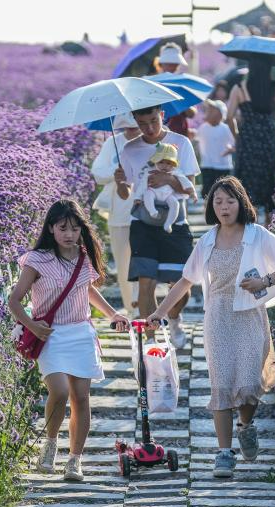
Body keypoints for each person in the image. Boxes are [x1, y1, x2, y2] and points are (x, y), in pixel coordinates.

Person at [146, 177, 275, 478]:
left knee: (249, 385)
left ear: (241, 203)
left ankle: (246, 425)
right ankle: (224, 453)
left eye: (229, 201)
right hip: (218, 316)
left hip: (250, 315)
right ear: (211, 207)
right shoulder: (207, 240)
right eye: (218, 202)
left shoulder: (257, 235)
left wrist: (264, 282)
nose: (224, 207)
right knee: (222, 384)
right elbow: (186, 279)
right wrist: (160, 312)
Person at [8, 200, 129, 482]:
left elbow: (86, 290)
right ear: (51, 228)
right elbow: (14, 301)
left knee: (81, 398)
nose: (69, 234)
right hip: (49, 334)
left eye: (74, 229)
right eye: (62, 228)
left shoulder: (84, 257)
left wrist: (112, 314)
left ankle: (75, 460)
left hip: (80, 332)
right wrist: (32, 326)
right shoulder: (36, 260)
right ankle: (49, 446)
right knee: (59, 391)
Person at [113, 105, 200, 348]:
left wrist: (169, 179)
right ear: (135, 123)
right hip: (142, 223)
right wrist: (120, 183)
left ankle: (173, 318)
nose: (149, 128)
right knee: (145, 281)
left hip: (175, 222)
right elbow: (126, 193)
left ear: (162, 116)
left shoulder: (181, 143)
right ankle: (151, 343)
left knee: (181, 284)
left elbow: (191, 184)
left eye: (153, 121)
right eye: (142, 124)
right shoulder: (130, 149)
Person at [91, 113, 142, 316]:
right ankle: (130, 306)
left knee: (142, 262)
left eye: (135, 127)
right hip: (119, 213)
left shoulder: (149, 142)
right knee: (123, 262)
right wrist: (116, 171)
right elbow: (98, 173)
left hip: (145, 212)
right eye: (127, 128)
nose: (132, 131)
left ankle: (141, 306)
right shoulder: (112, 143)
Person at [227, 58, 275, 226]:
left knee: (245, 180)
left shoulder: (239, 88)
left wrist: (237, 136)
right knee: (269, 180)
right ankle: (268, 228)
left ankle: (247, 225)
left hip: (247, 137)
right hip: (269, 137)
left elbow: (229, 117)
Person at [134, 143, 196, 234]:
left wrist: (192, 192)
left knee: (175, 204)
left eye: (168, 163)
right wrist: (138, 197)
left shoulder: (175, 173)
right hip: (153, 191)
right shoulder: (150, 172)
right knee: (147, 194)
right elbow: (142, 185)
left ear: (174, 165)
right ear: (155, 161)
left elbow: (186, 182)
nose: (164, 166)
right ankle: (152, 211)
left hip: (168, 195)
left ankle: (168, 223)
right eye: (161, 162)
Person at [195, 100, 235, 199]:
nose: (208, 112)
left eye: (212, 110)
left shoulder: (225, 128)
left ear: (220, 115)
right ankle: (208, 212)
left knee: (225, 192)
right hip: (207, 165)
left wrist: (231, 149)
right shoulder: (202, 128)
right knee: (208, 193)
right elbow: (195, 139)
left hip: (223, 166)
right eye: (208, 110)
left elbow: (234, 144)